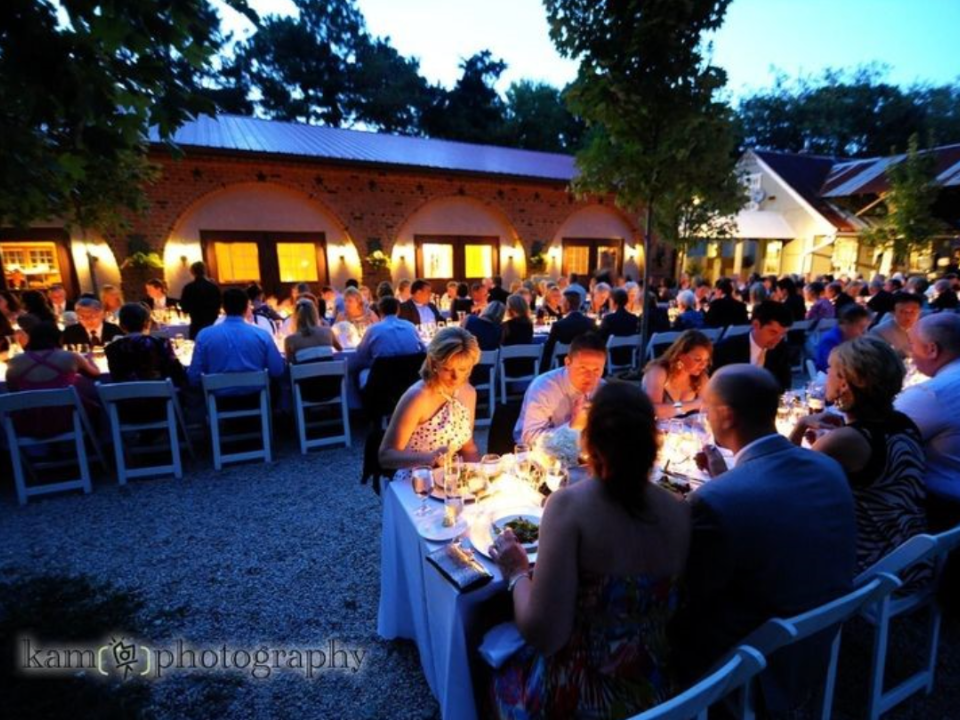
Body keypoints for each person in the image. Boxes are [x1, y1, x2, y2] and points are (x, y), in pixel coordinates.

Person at [490, 383, 690, 719]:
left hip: (579, 694)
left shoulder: (568, 507)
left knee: (487, 664)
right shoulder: (680, 511)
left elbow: (544, 636)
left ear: (588, 442)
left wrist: (516, 573)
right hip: (656, 689)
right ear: (655, 441)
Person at [674, 365, 856, 712]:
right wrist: (723, 479)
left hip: (755, 654)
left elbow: (689, 594)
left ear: (725, 415)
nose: (706, 415)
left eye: (707, 408)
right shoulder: (827, 467)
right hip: (820, 628)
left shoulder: (718, 500)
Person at [789, 336, 927, 577]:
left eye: (831, 369)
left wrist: (800, 426)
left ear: (848, 382)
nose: (826, 372)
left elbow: (783, 484)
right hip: (913, 556)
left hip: (875, 571)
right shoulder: (903, 422)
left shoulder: (847, 440)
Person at [378, 326, 481, 475]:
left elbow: (468, 447)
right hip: (415, 480)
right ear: (433, 364)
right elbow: (386, 456)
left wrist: (479, 475)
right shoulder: (417, 397)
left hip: (449, 478)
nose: (456, 377)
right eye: (447, 369)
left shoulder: (468, 392)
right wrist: (429, 458)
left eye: (463, 369)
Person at [896, 313, 960, 529]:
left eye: (912, 345)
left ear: (932, 350)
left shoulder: (933, 394)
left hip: (942, 511)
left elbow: (876, 436)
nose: (910, 353)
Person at [5, 321, 101, 437]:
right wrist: (89, 360)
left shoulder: (15, 362)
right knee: (96, 404)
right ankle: (100, 445)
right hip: (67, 418)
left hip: (30, 422)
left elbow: (12, 391)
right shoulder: (70, 357)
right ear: (59, 338)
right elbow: (95, 375)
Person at [186, 288, 285, 397]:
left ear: (223, 308)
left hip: (218, 401)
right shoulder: (262, 335)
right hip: (256, 397)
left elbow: (194, 377)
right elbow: (277, 370)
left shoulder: (204, 336)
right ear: (246, 307)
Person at [515, 332, 606, 446]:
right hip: (541, 455)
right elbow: (530, 437)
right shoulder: (544, 387)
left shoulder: (603, 389)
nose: (590, 376)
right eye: (583, 368)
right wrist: (573, 426)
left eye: (596, 370)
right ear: (567, 363)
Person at [711, 300, 793, 392]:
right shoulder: (727, 348)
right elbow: (716, 386)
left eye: (782, 334)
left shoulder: (781, 350)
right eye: (773, 332)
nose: (778, 339)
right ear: (756, 325)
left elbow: (784, 386)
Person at [106, 303, 186, 386]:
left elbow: (116, 380)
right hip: (160, 396)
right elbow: (178, 375)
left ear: (121, 326)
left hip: (127, 398)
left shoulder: (112, 349)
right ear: (148, 323)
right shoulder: (160, 343)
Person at [352, 297, 424, 388]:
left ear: (380, 311)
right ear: (398, 310)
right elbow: (423, 350)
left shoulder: (373, 330)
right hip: (410, 380)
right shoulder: (410, 327)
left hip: (381, 382)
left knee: (358, 372)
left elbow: (360, 355)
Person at [642, 330, 713, 419]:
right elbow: (654, 410)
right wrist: (694, 404)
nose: (703, 365)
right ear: (680, 355)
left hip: (685, 432)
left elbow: (706, 411)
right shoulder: (658, 371)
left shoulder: (701, 378)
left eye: (706, 360)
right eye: (698, 359)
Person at [540, 288, 596, 374]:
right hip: (586, 363)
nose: (560, 304)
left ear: (567, 304)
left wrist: (542, 373)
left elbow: (548, 351)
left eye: (562, 302)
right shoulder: (590, 322)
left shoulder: (559, 325)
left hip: (562, 366)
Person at [814, 303, 871, 373]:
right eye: (861, 327)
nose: (864, 332)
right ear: (846, 324)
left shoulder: (853, 338)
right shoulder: (830, 341)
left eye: (865, 328)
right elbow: (833, 368)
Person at [870, 291, 922, 358]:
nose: (908, 316)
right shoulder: (880, 332)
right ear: (893, 312)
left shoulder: (924, 329)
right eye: (903, 311)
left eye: (913, 311)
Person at [179, 261, 222, 339]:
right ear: (205, 271)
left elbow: (184, 308)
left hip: (196, 324)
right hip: (212, 324)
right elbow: (219, 304)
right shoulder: (213, 287)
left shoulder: (189, 288)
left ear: (192, 272)